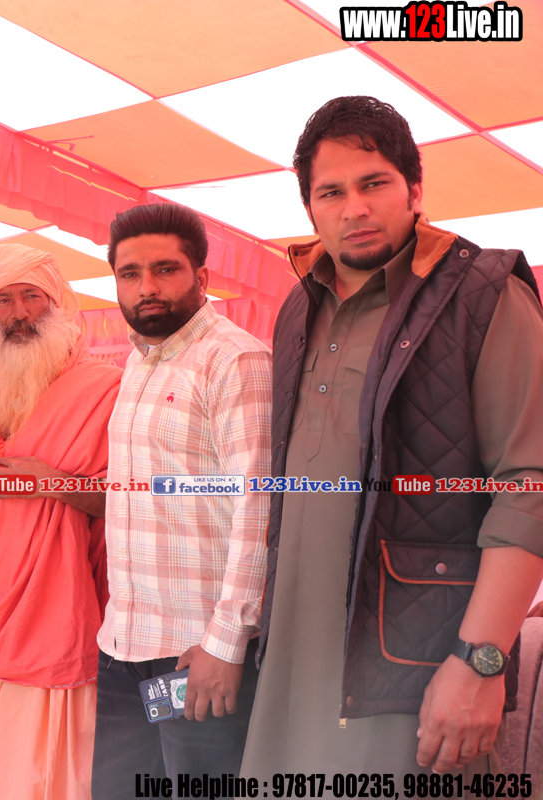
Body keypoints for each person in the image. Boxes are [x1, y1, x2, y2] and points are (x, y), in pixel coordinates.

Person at [243, 96, 543, 776]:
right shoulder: (297, 307)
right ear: (310, 209)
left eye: (373, 183)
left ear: (414, 188)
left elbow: (529, 487)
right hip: (291, 663)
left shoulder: (483, 295)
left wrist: (480, 661)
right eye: (331, 192)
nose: (354, 208)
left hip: (413, 665)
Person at [0, 243, 121, 800]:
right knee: (1, 773)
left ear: (58, 303)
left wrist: (54, 480)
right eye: (3, 301)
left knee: (58, 775)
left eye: (31, 296)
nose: (18, 313)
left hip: (57, 608)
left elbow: (133, 504)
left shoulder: (105, 391)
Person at [90, 203, 272, 795]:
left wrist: (226, 643)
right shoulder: (137, 362)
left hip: (196, 655)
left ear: (202, 276)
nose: (147, 287)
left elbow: (259, 508)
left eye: (165, 269)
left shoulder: (235, 359)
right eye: (130, 273)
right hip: (125, 648)